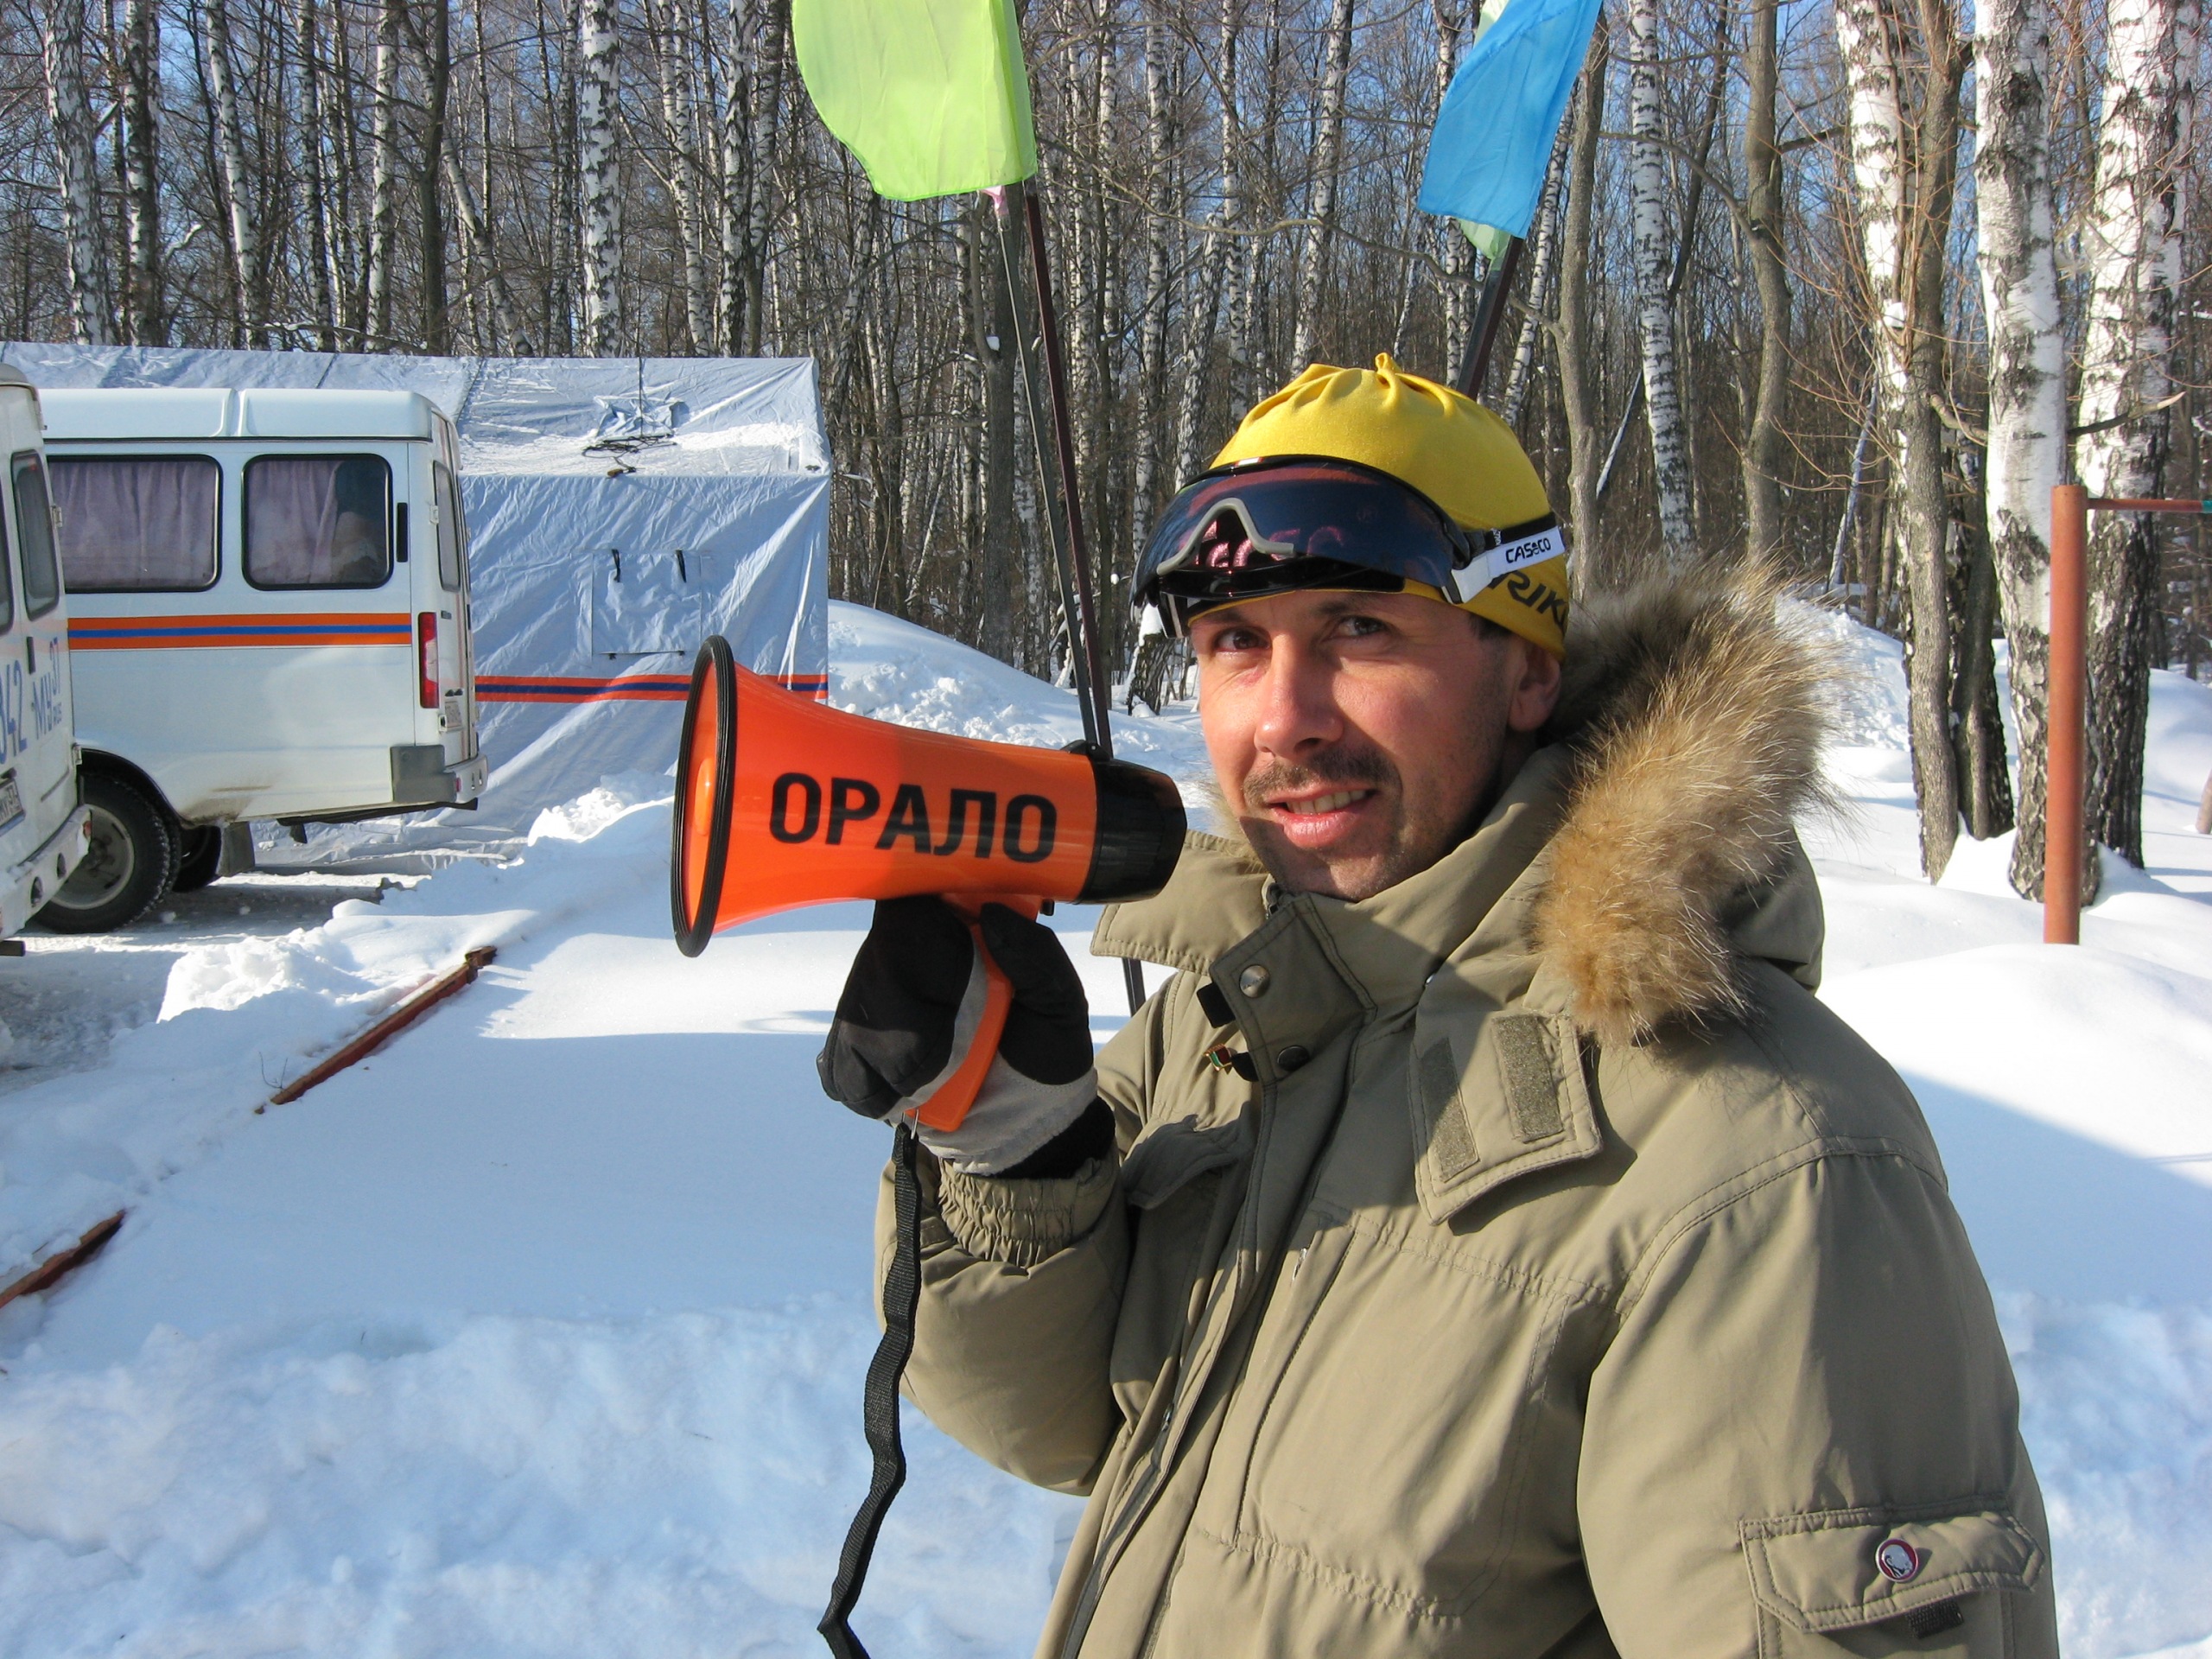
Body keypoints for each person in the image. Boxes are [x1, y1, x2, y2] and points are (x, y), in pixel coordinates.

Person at [818, 356, 2057, 1658]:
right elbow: (1065, 1425)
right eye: (1235, 643)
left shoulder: (1764, 1168)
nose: (1285, 719)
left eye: (1359, 629)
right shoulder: (1240, 1016)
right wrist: (1018, 1157)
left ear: (1526, 672)